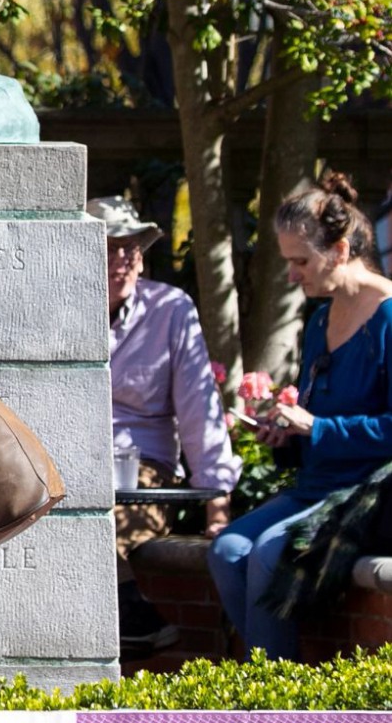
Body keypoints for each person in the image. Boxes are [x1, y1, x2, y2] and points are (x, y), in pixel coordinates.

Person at [208, 171, 392, 660]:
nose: (292, 275)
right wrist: (286, 433)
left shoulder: (389, 318)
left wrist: (316, 427)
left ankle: (275, 700)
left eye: (301, 261)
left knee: (270, 552)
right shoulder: (319, 321)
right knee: (228, 551)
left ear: (341, 250)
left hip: (368, 491)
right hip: (317, 483)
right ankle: (269, 679)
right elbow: (314, 414)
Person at [90, 194, 240, 656]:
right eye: (110, 246)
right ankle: (135, 620)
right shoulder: (58, 306)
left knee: (98, 526)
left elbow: (200, 408)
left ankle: (138, 622)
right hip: (68, 464)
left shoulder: (171, 309)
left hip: (143, 469)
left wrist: (216, 506)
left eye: (133, 248)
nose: (123, 260)